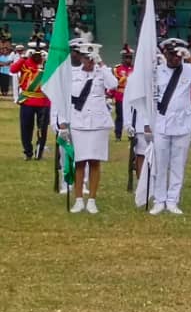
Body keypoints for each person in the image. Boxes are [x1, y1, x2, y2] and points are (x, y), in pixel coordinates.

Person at [147, 41, 191, 215]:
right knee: (161, 163)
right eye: (172, 54)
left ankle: (173, 200)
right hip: (162, 122)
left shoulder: (189, 70)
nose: (175, 58)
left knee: (178, 164)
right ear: (165, 54)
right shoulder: (156, 72)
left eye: (178, 55)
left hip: (183, 123)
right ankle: (159, 200)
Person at [57, 42, 118, 214]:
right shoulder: (72, 74)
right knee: (79, 162)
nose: (88, 61)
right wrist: (63, 123)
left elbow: (113, 84)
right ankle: (78, 199)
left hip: (98, 123)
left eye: (91, 58)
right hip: (79, 122)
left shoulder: (101, 73)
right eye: (86, 57)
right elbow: (65, 100)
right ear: (81, 58)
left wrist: (101, 63)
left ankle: (92, 199)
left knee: (95, 162)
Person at [10, 41, 50, 159]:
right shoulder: (25, 61)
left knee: (42, 128)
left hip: (43, 100)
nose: (37, 55)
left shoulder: (47, 62)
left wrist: (48, 59)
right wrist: (23, 57)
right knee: (26, 127)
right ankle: (28, 152)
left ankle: (39, 151)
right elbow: (13, 70)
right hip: (27, 100)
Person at [111, 48, 134, 141]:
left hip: (132, 95)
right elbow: (115, 82)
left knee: (132, 115)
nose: (128, 59)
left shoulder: (135, 68)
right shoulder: (117, 69)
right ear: (123, 58)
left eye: (130, 57)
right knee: (120, 116)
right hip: (121, 95)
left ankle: (131, 134)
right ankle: (118, 135)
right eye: (126, 57)